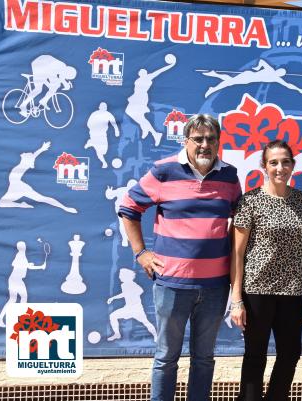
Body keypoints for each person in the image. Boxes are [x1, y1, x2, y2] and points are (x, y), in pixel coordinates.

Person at [119, 114, 242, 401]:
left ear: (218, 143)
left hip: (215, 287)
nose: (204, 145)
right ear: (185, 141)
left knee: (204, 359)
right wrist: (141, 253)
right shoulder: (164, 171)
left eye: (211, 139)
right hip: (172, 285)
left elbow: (241, 222)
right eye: (198, 139)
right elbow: (128, 208)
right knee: (166, 358)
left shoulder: (230, 176)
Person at [230, 140, 302, 401]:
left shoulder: (300, 199)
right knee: (255, 356)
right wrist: (237, 299)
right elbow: (237, 254)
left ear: (293, 166)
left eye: (285, 161)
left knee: (290, 355)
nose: (280, 167)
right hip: (257, 291)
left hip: (291, 291)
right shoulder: (250, 201)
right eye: (273, 162)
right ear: (264, 166)